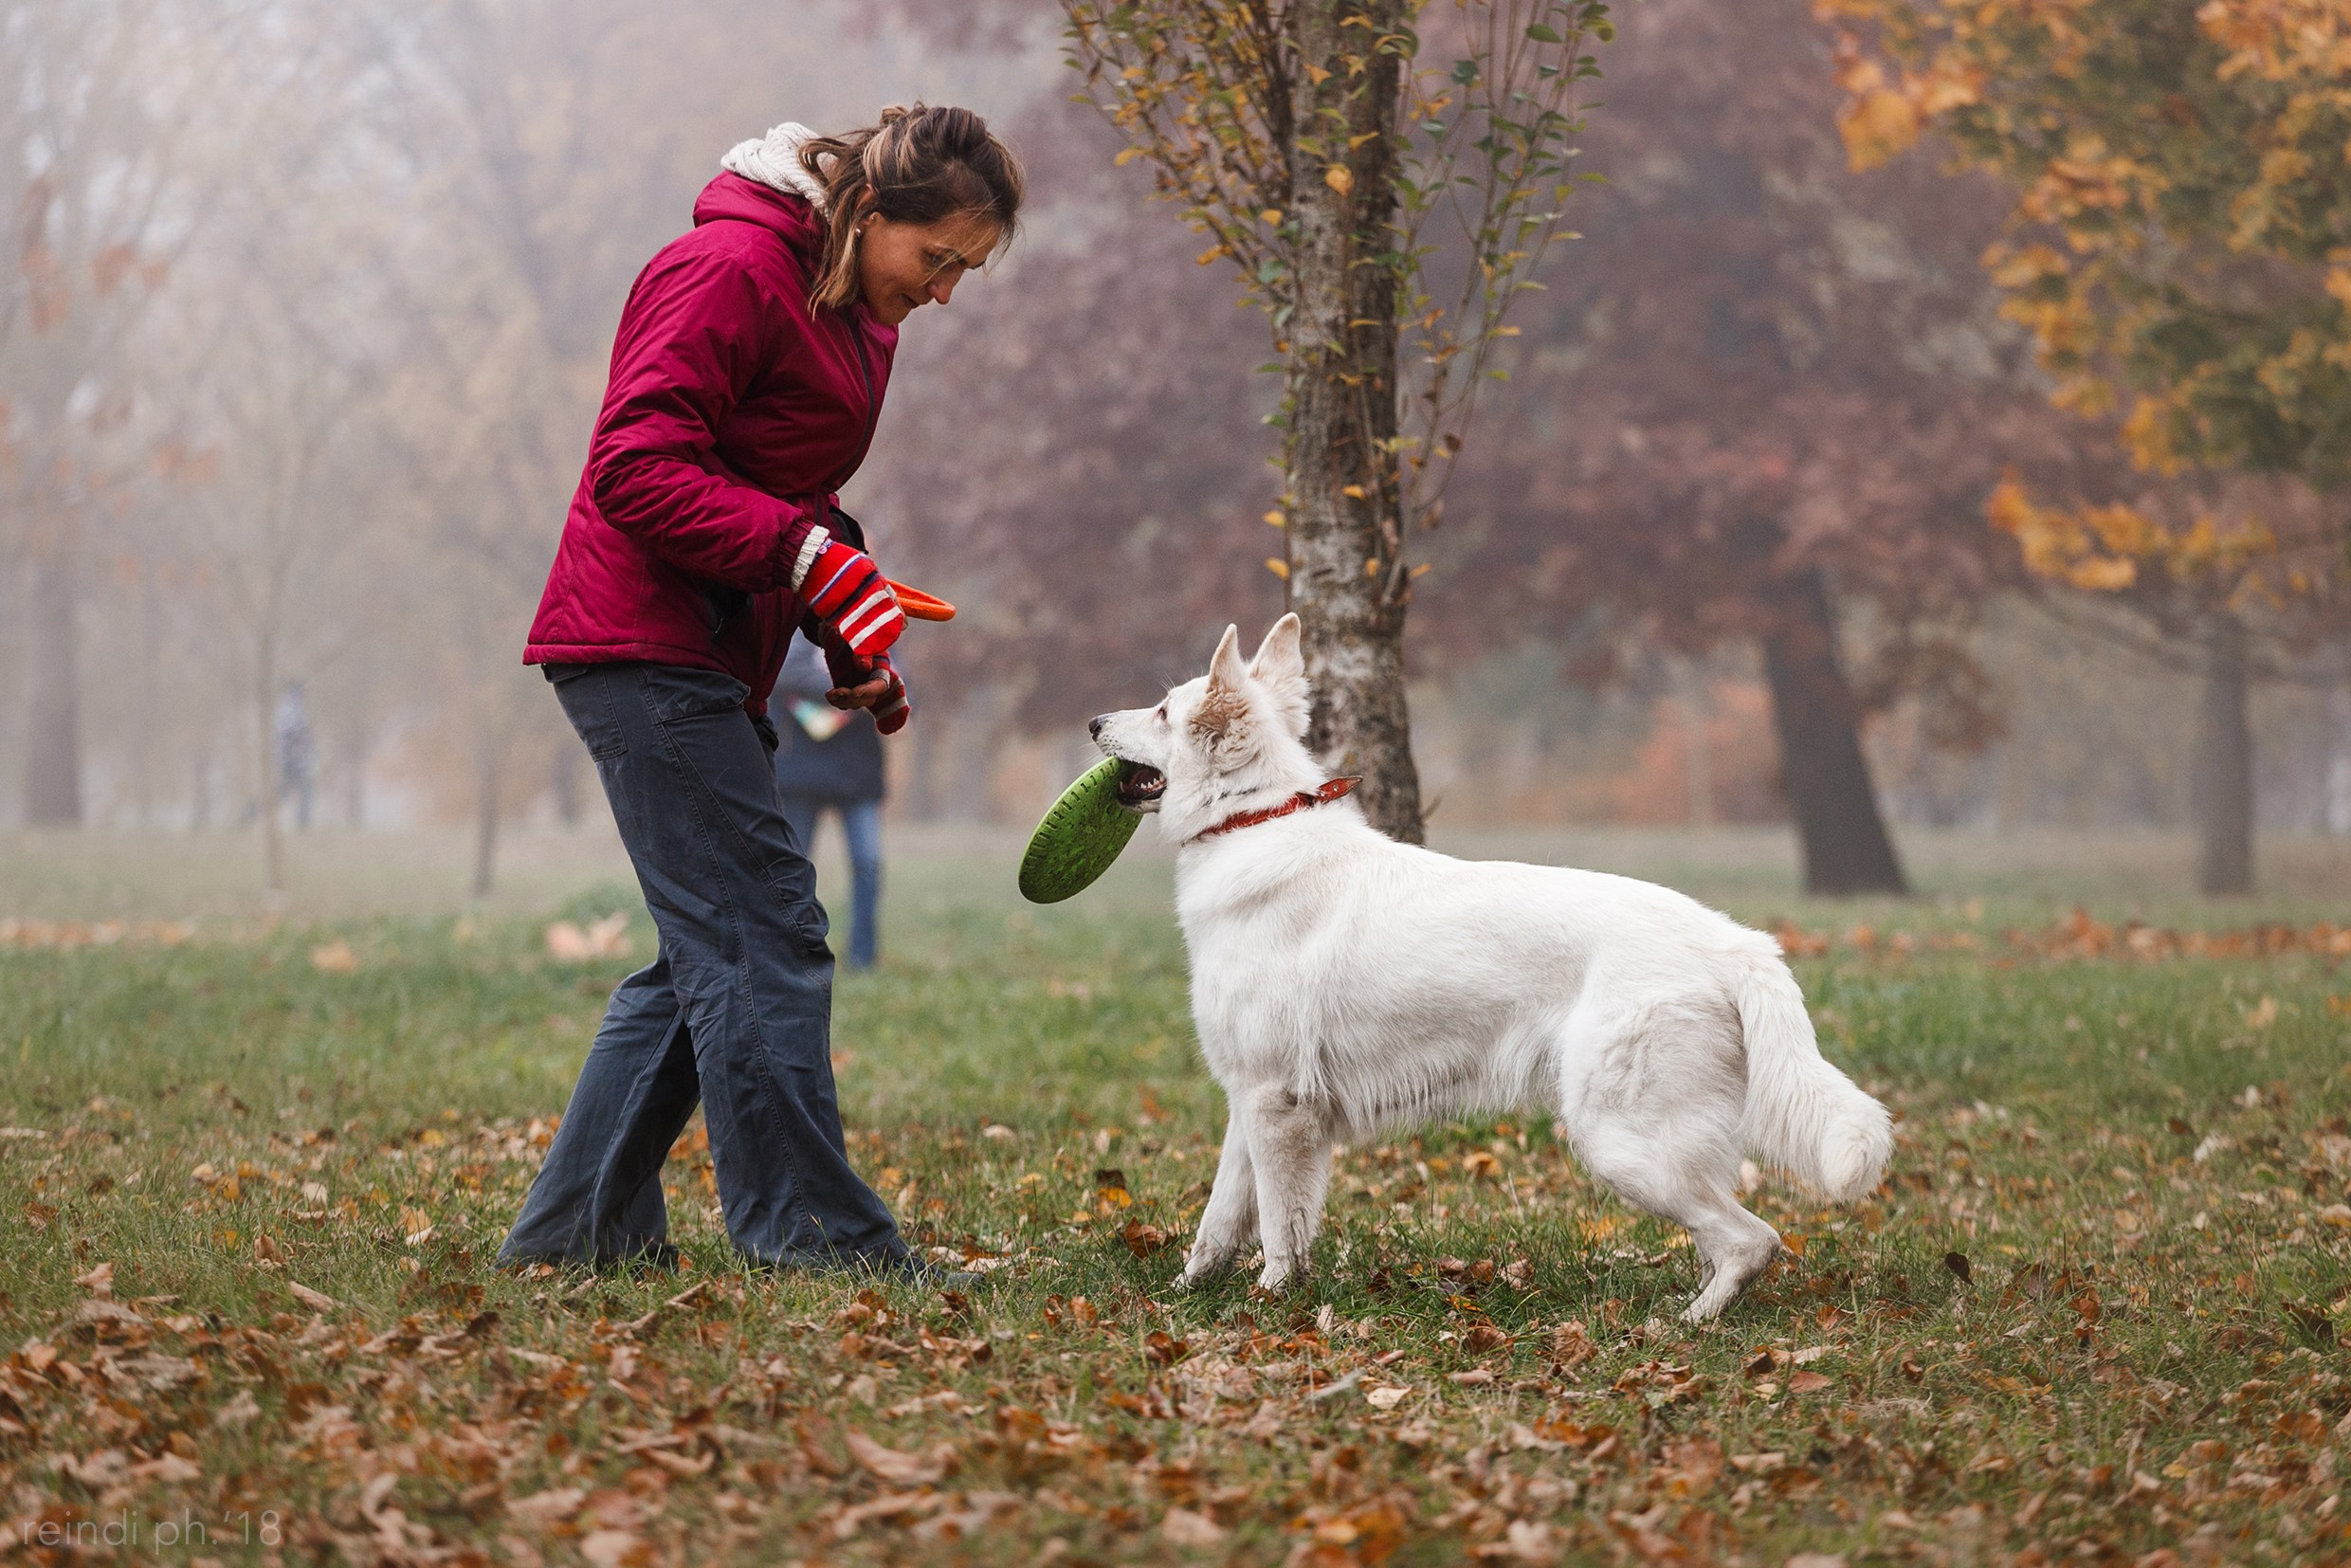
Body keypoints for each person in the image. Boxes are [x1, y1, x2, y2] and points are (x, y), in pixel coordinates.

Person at [501, 106, 1021, 1280]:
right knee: (762, 931)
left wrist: (848, 630)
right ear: (867, 213)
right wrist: (804, 557)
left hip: (712, 648)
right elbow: (635, 465)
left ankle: (571, 1240)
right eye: (935, 258)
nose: (943, 291)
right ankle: (811, 1237)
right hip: (637, 640)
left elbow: (786, 493)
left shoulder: (855, 314)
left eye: (966, 273)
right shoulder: (725, 269)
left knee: (709, 952)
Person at [772, 635, 887, 970]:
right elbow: (784, 670)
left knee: (868, 862)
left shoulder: (877, 631)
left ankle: (863, 957)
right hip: (799, 772)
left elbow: (895, 681)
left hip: (858, 772)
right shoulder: (795, 627)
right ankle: (789, 955)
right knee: (793, 866)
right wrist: (854, 691)